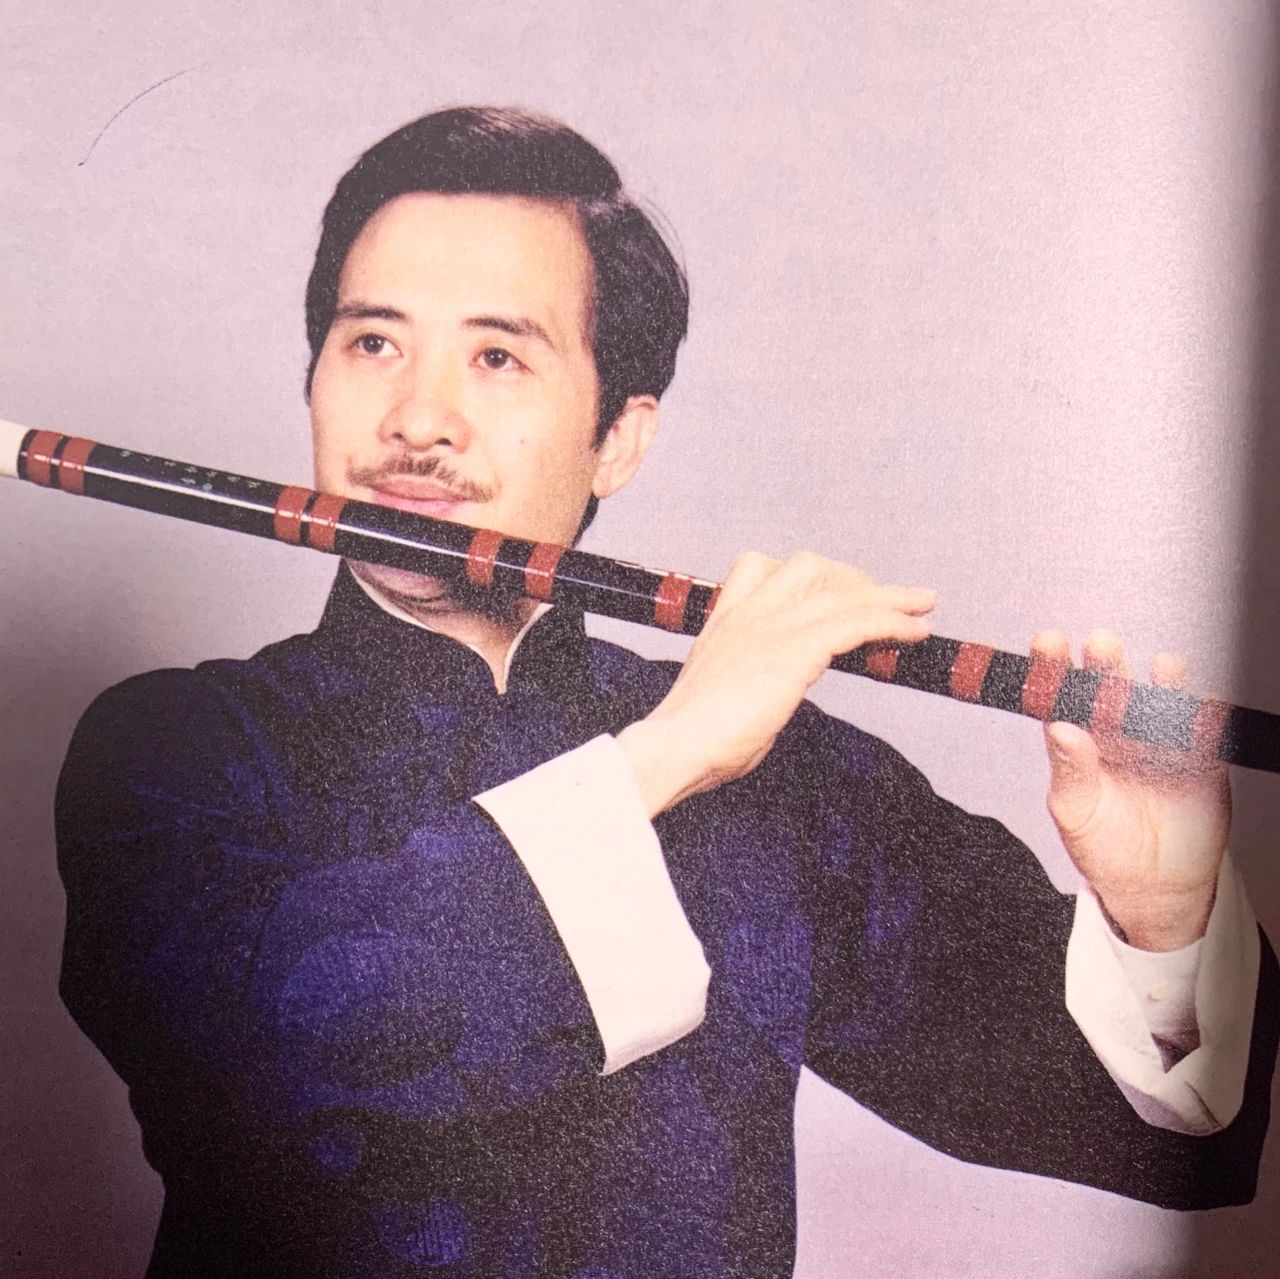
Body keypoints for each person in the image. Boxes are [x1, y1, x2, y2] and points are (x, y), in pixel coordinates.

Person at [55, 106, 1277, 1279]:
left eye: (496, 356)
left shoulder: (781, 773)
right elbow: (291, 1039)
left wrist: (1161, 914)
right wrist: (669, 754)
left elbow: (1158, 1145)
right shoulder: (174, 749)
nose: (416, 420)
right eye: (372, 343)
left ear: (618, 440)